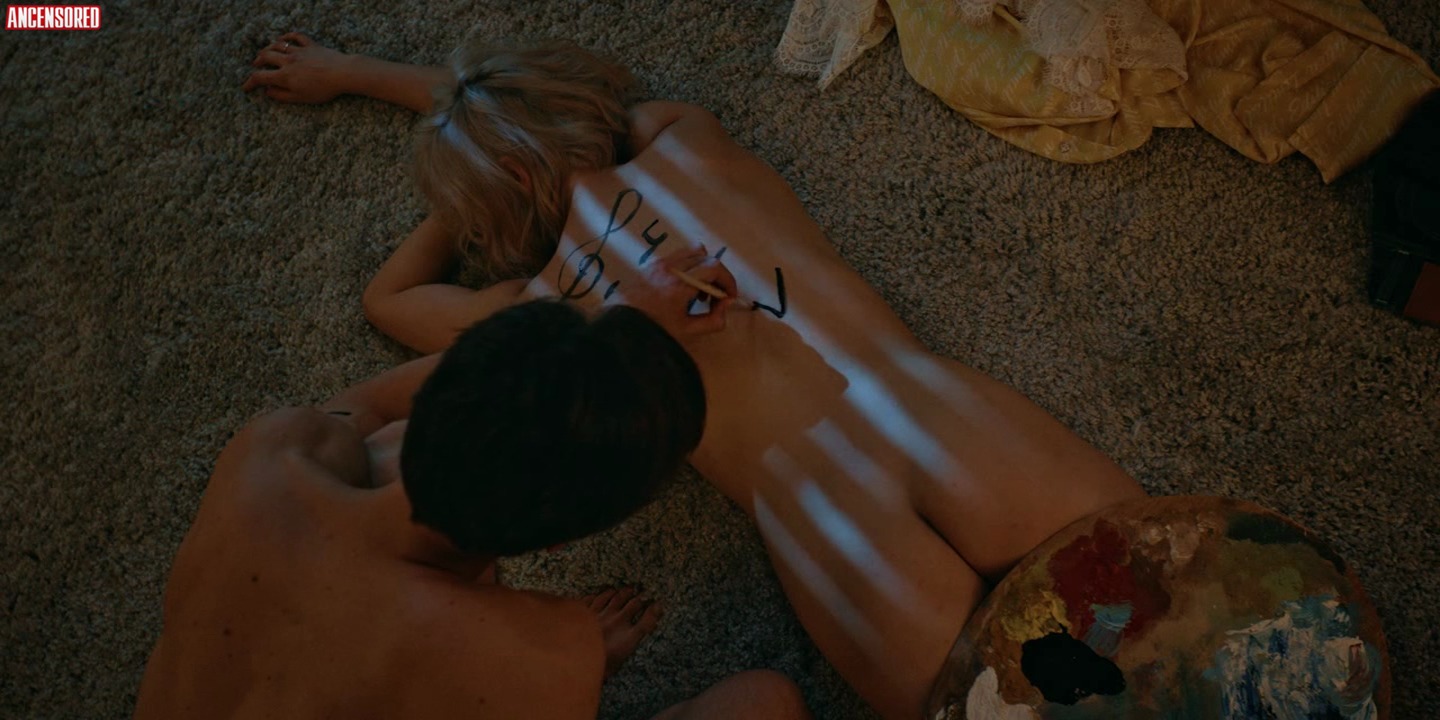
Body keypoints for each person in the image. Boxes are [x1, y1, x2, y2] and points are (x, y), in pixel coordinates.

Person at [244, 33, 1147, 719]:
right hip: (923, 407)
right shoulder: (679, 136)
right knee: (1156, 599)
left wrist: (453, 168)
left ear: (496, 192)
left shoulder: (544, 317)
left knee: (991, 708)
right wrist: (413, 90)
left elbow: (389, 298)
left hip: (819, 515)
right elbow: (544, 108)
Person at [133, 268, 811, 719]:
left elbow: (387, 403)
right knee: (765, 705)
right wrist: (553, 668)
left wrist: (613, 332)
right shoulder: (542, 656)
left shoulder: (277, 451)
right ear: (559, 542)